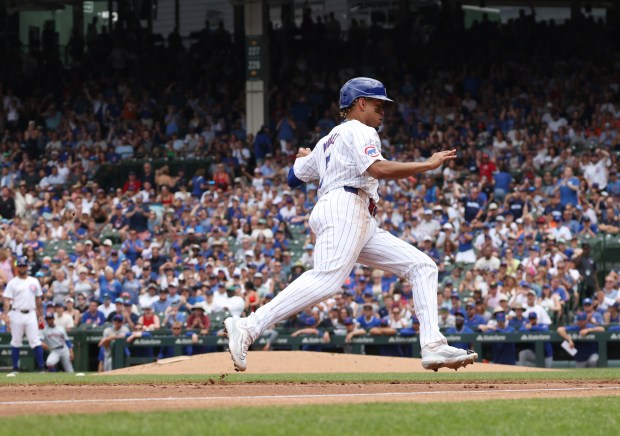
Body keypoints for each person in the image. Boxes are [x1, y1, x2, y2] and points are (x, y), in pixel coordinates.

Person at [224, 77, 477, 372]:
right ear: (361, 104)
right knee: (327, 280)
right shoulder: (360, 129)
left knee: (422, 266)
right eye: (378, 104)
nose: (383, 110)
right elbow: (378, 168)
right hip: (345, 208)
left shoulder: (326, 141)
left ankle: (433, 345)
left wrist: (307, 157)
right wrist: (427, 164)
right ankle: (248, 326)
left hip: (356, 215)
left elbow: (293, 178)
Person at [2, 256, 46, 373]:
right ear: (17, 267)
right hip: (16, 313)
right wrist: (6, 314)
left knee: (35, 340)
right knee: (16, 341)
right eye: (20, 266)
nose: (22, 268)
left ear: (27, 266)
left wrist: (40, 315)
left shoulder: (34, 281)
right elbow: (6, 300)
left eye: (24, 265)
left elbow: (38, 299)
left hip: (31, 313)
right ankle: (15, 368)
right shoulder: (13, 282)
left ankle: (41, 368)